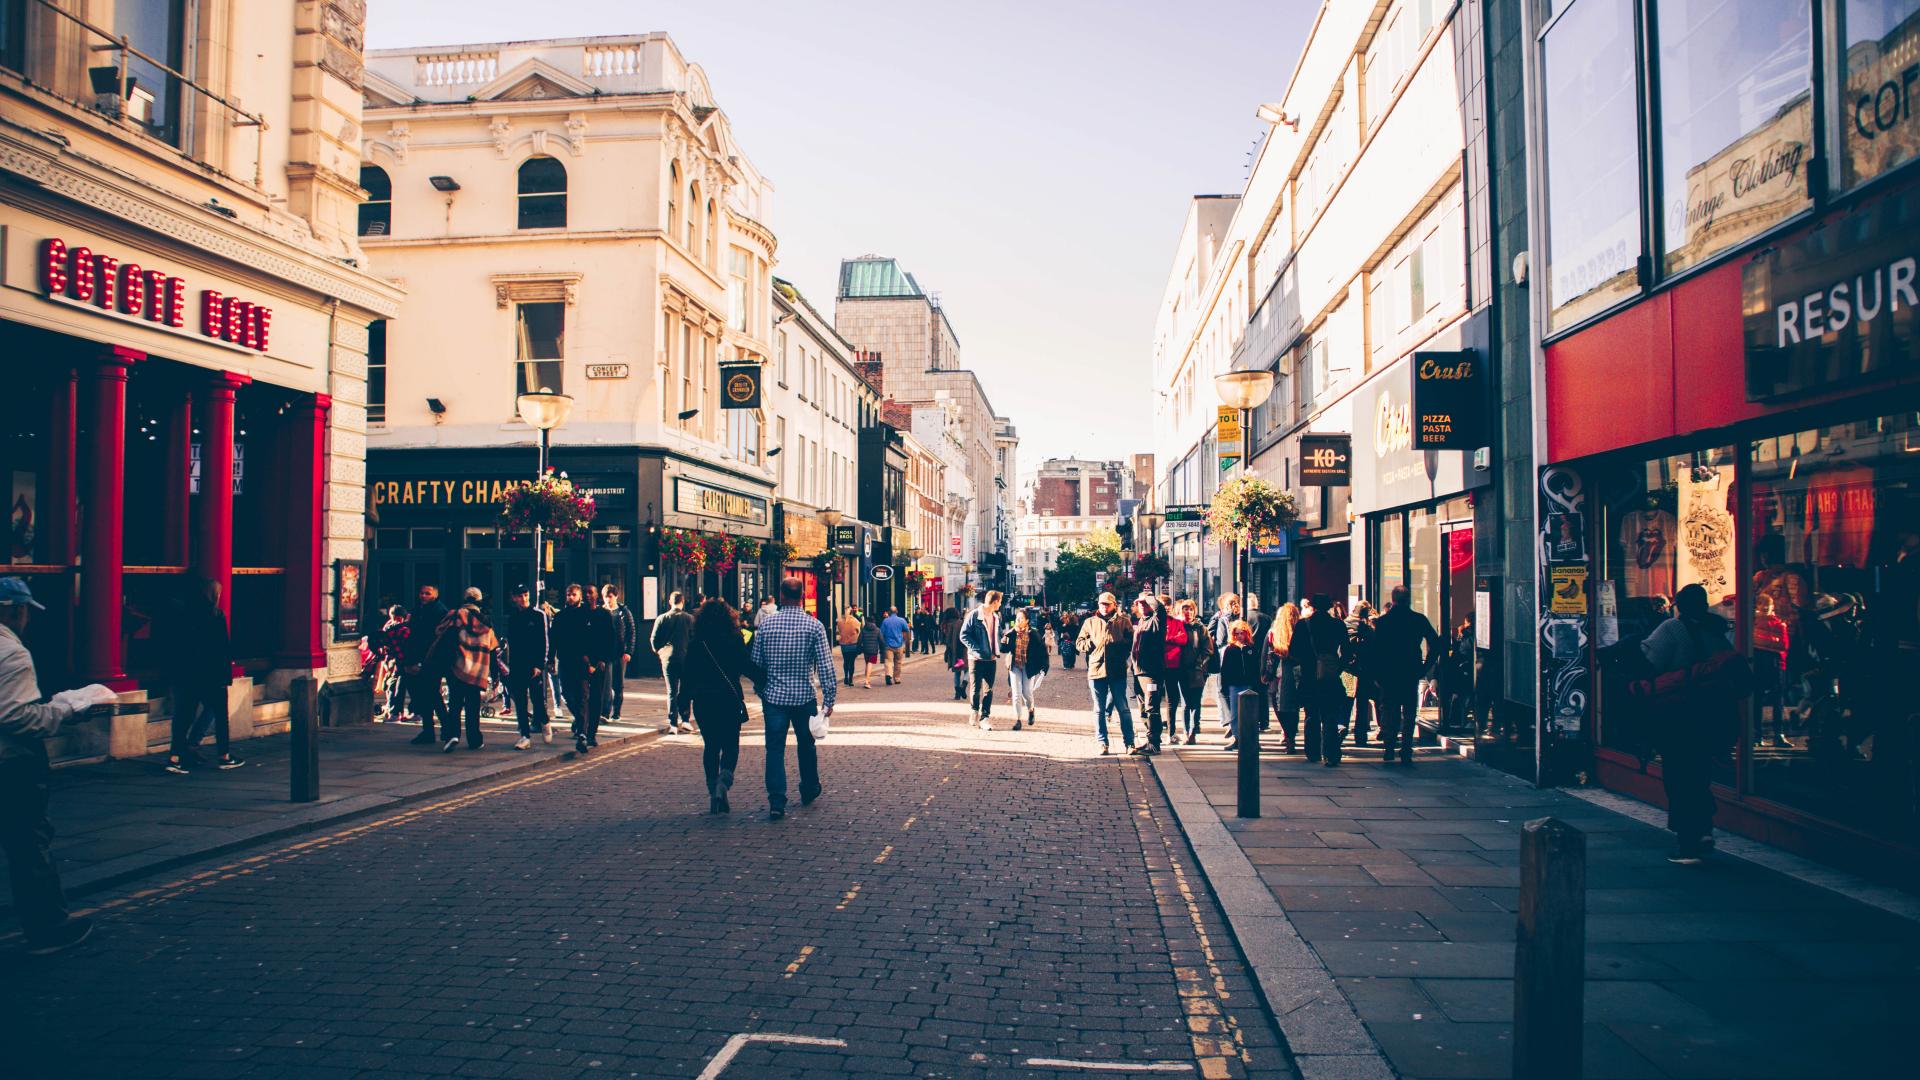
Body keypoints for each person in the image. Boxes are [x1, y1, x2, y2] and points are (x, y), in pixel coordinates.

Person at [0, 577, 115, 955]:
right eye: (25, 612)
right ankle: (48, 927)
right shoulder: (11, 653)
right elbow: (17, 717)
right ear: (16, 610)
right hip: (11, 763)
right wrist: (63, 711)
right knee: (28, 843)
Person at [1641, 583, 1735, 864]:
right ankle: (1704, 828)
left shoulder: (1673, 629)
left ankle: (1688, 842)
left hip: (1679, 716)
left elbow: (1650, 660)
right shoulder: (1717, 630)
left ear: (1678, 605)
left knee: (1680, 777)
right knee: (1700, 775)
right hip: (1712, 716)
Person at [749, 577, 837, 821]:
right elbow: (826, 667)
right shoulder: (814, 626)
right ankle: (809, 788)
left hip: (774, 699)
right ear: (801, 597)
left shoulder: (766, 626)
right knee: (806, 745)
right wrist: (828, 700)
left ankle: (777, 800)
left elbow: (756, 664)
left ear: (781, 595)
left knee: (774, 749)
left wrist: (761, 689)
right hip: (804, 698)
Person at [164, 578, 245, 775]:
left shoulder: (183, 614)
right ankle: (224, 756)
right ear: (214, 595)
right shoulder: (216, 615)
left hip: (187, 675)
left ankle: (175, 757)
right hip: (212, 675)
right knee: (220, 715)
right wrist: (226, 675)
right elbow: (222, 648)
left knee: (183, 716)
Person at [687, 597, 760, 814]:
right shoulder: (734, 638)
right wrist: (764, 678)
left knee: (711, 746)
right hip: (728, 699)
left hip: (703, 700)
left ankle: (712, 789)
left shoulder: (697, 641)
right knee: (730, 745)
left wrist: (682, 701)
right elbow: (745, 665)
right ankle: (723, 782)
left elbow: (687, 673)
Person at [1371, 585, 1441, 765]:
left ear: (1393, 599)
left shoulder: (1384, 622)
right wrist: (1426, 667)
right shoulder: (1418, 620)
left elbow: (1376, 650)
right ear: (1408, 599)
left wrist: (1377, 673)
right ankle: (1406, 748)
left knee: (1390, 709)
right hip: (1411, 670)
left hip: (1389, 672)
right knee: (1409, 712)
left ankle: (1389, 747)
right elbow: (1435, 643)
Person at [554, 584, 617, 754]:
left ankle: (590, 734)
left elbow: (610, 638)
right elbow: (576, 637)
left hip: (599, 662)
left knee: (595, 697)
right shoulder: (578, 614)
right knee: (576, 696)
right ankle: (583, 725)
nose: (588, 595)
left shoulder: (604, 614)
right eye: (586, 593)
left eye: (591, 593)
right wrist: (583, 657)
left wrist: (604, 659)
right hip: (581, 661)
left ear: (596, 596)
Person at [1291, 594, 1352, 766]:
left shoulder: (1304, 625)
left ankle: (1313, 752)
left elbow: (1294, 650)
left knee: (1311, 715)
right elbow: (1347, 652)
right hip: (1330, 678)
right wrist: (1336, 667)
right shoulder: (1338, 624)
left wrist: (1307, 662)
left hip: (1309, 676)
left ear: (1312, 606)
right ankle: (1331, 753)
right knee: (1330, 715)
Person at [434, 587, 497, 752]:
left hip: (457, 666)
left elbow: (439, 631)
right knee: (472, 706)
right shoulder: (486, 622)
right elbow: (492, 647)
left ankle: (453, 735)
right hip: (477, 670)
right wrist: (495, 674)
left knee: (455, 704)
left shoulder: (456, 615)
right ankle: (475, 740)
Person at [1077, 592, 1136, 755]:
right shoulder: (1090, 622)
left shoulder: (1123, 622)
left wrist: (1119, 648)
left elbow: (1131, 642)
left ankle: (1129, 742)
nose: (1104, 607)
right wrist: (1091, 644)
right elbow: (1079, 643)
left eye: (1107, 604)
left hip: (1117, 670)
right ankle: (1102, 742)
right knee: (1099, 709)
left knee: (1123, 707)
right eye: (1101, 604)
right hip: (1096, 670)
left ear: (1114, 605)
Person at [505, 584, 554, 750]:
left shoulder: (539, 615)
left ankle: (545, 722)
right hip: (517, 665)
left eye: (525, 595)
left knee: (537, 700)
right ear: (514, 598)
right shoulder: (512, 617)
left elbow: (545, 641)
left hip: (534, 666)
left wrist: (540, 664)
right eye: (519, 596)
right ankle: (524, 736)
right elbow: (511, 643)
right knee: (520, 702)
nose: (523, 599)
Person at [401, 584, 451, 747]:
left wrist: (422, 662)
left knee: (433, 696)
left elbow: (433, 640)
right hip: (418, 659)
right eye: (421, 593)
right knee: (424, 696)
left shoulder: (438, 612)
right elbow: (413, 637)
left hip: (431, 661)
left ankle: (446, 729)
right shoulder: (418, 611)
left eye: (427, 593)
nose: (423, 596)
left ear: (435, 595)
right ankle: (429, 731)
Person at [649, 591, 696, 734]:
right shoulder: (690, 619)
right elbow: (695, 640)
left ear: (670, 602)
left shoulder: (662, 618)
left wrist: (660, 652)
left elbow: (654, 640)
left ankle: (673, 724)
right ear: (683, 602)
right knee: (686, 690)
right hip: (686, 659)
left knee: (671, 691)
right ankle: (686, 720)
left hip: (668, 659)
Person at [960, 590, 1006, 729]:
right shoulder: (974, 615)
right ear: (995, 602)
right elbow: (964, 635)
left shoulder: (996, 617)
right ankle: (974, 710)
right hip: (976, 658)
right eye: (1000, 602)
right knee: (975, 688)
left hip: (991, 658)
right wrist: (977, 649)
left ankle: (985, 717)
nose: (1000, 604)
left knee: (989, 690)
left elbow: (996, 634)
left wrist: (1000, 641)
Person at [1129, 595, 1168, 754]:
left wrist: (1146, 597)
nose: (1142, 606)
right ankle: (1149, 739)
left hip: (1152, 673)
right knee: (1143, 707)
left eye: (1145, 604)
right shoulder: (1141, 622)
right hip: (1139, 673)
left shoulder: (1157, 621)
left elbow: (1160, 608)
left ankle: (1154, 743)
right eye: (1139, 604)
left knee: (1152, 706)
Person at [1751, 594, 1791, 749]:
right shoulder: (1776, 624)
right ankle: (1761, 734)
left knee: (1774, 700)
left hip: (1772, 663)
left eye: (1767, 604)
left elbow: (1783, 645)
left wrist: (1762, 641)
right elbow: (1781, 644)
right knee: (1761, 699)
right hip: (1769, 663)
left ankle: (1772, 734)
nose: (1765, 607)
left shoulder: (1775, 623)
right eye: (1762, 604)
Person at [1262, 602, 1302, 755]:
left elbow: (1267, 654)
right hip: (1297, 673)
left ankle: (1289, 736)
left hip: (1279, 674)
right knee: (1294, 707)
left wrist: (1265, 673)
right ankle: (1290, 736)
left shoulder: (1274, 632)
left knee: (1279, 705)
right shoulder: (1301, 630)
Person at [1000, 608, 1049, 730]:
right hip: (1015, 666)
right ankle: (1018, 720)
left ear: (1027, 621)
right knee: (1016, 694)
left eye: (1021, 618)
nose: (1018, 620)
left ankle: (1031, 709)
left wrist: (1044, 667)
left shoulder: (1034, 633)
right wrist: (1003, 641)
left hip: (1028, 667)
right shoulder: (1011, 633)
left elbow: (1043, 651)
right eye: (1017, 618)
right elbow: (1004, 650)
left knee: (1027, 693)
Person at [1217, 620, 1262, 752]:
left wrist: (1257, 684)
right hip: (1234, 684)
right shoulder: (1230, 649)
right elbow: (1224, 670)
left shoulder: (1252, 649)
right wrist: (1224, 686)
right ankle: (1237, 738)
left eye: (1242, 633)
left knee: (1252, 714)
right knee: (1235, 714)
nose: (1239, 636)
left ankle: (1253, 739)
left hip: (1249, 684)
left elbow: (1256, 668)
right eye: (1236, 634)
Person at [1173, 599, 1212, 744]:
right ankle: (1185, 731)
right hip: (1181, 670)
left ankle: (1193, 732)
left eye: (1190, 609)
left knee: (1195, 702)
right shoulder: (1177, 626)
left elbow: (1207, 650)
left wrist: (1200, 665)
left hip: (1197, 671)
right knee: (1185, 703)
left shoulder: (1200, 628)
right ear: (1179, 611)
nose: (1187, 612)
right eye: (1185, 609)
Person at [1208, 593, 1243, 731]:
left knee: (1222, 689)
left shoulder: (1223, 619)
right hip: (1241, 658)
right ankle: (1238, 720)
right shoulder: (1242, 617)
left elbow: (1220, 641)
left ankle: (1229, 721)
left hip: (1226, 657)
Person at [1345, 602, 1378, 748]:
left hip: (1347, 670)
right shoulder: (1367, 629)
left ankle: (1341, 728)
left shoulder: (1344, 625)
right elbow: (1373, 649)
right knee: (1362, 704)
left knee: (1345, 703)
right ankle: (1360, 735)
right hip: (1364, 671)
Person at [603, 585, 637, 722]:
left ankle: (616, 712)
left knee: (618, 684)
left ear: (616, 596)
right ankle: (605, 712)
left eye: (610, 596)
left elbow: (631, 632)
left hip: (620, 653)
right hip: (606, 654)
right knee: (606, 684)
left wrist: (629, 651)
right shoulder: (601, 612)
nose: (607, 600)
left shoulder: (624, 612)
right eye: (605, 596)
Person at [880, 606, 911, 685]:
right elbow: (907, 630)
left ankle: (888, 675)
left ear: (889, 612)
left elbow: (881, 633)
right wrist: (906, 642)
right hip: (899, 644)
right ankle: (897, 678)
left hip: (888, 645)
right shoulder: (902, 620)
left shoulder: (885, 621)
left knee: (888, 661)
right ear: (896, 612)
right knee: (898, 662)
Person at [942, 607, 968, 700]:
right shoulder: (961, 623)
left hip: (953, 651)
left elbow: (946, 639)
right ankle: (964, 684)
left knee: (957, 672)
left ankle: (957, 693)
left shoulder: (946, 625)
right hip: (964, 649)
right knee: (967, 670)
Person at [836, 607, 863, 686]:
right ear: (852, 613)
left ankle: (845, 677)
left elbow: (839, 632)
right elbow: (859, 632)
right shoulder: (856, 621)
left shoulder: (840, 622)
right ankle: (850, 679)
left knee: (846, 661)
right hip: (853, 644)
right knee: (852, 662)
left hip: (844, 645)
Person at [857, 612, 884, 690]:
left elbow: (859, 640)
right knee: (870, 663)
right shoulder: (877, 630)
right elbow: (881, 640)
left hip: (865, 649)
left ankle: (867, 679)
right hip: (873, 650)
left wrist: (859, 649)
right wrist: (882, 649)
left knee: (867, 663)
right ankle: (867, 681)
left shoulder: (863, 630)